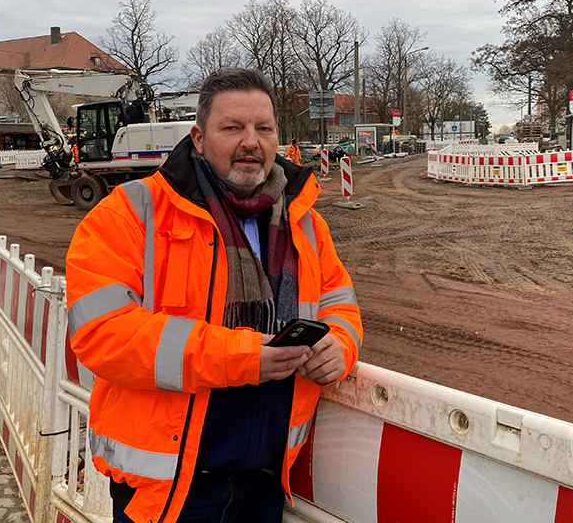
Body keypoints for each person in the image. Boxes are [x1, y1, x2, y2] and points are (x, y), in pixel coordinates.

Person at [65, 68, 363, 523]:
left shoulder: (304, 222)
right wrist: (238, 356)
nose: (252, 142)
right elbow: (101, 334)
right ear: (198, 139)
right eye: (232, 128)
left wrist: (339, 345)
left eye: (263, 128)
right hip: (168, 492)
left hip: (263, 484)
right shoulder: (129, 213)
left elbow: (339, 301)